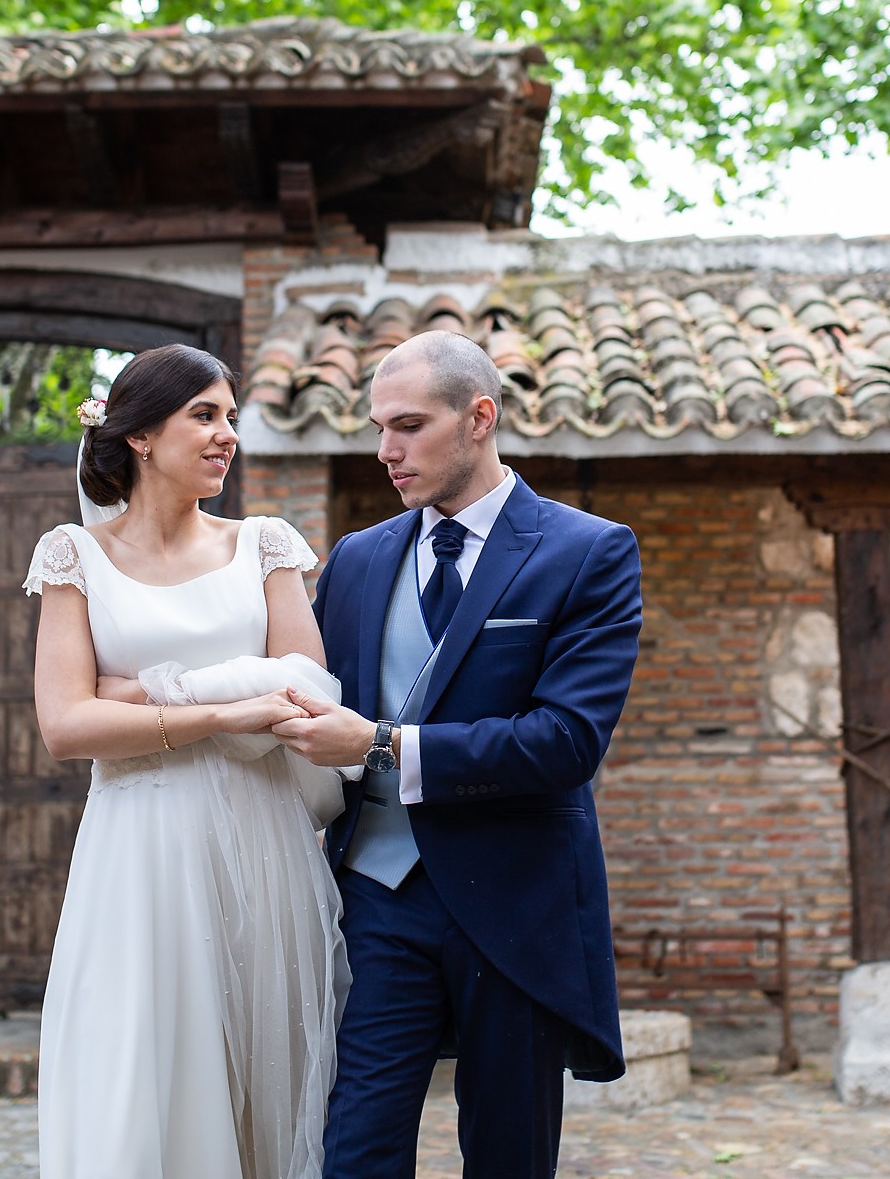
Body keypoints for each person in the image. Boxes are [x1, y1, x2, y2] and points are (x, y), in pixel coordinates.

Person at [274, 330, 645, 1179]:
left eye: (408, 425)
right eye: (378, 427)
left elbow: (567, 740)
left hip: (514, 901)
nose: (385, 451)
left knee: (509, 1158)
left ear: (480, 416)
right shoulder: (359, 560)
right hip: (375, 899)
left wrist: (378, 744)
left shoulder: (588, 550)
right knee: (354, 1152)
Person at [23, 343, 349, 1179]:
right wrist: (227, 708)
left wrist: (147, 691)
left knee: (260, 1076)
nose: (225, 435)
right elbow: (64, 724)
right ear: (138, 435)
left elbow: (304, 694)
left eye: (230, 417)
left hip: (261, 836)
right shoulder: (74, 555)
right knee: (140, 1068)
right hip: (140, 846)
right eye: (204, 415)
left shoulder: (267, 545)